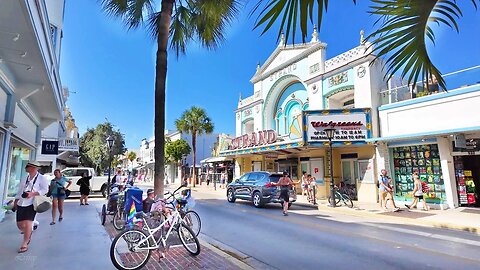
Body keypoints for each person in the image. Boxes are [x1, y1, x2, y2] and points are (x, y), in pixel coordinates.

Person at [13, 161, 49, 253]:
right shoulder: (25, 178)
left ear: (34, 168)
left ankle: (25, 243)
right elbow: (20, 191)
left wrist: (32, 193)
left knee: (28, 223)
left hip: (32, 203)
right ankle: (30, 230)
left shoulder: (41, 178)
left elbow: (45, 189)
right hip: (22, 202)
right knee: (20, 225)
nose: (26, 168)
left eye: (28, 166)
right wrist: (16, 201)